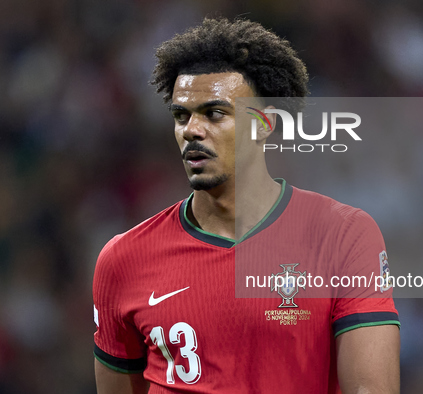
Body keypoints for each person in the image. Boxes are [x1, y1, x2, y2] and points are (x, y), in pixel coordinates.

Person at [93, 17, 400, 394]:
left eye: (215, 113)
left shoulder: (343, 235)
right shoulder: (123, 259)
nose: (191, 129)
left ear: (265, 124)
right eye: (181, 115)